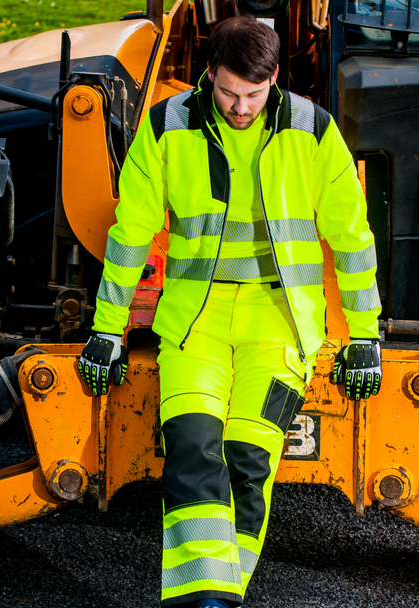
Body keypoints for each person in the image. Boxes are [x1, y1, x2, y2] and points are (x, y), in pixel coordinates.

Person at [77, 16, 382, 608]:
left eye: (254, 94)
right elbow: (130, 234)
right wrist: (106, 330)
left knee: (247, 461)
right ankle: (208, 600)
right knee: (191, 451)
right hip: (196, 322)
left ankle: (218, 592)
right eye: (228, 92)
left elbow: (352, 239)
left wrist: (364, 336)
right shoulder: (167, 127)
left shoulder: (312, 130)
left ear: (274, 81)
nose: (241, 107)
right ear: (207, 74)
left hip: (281, 324)